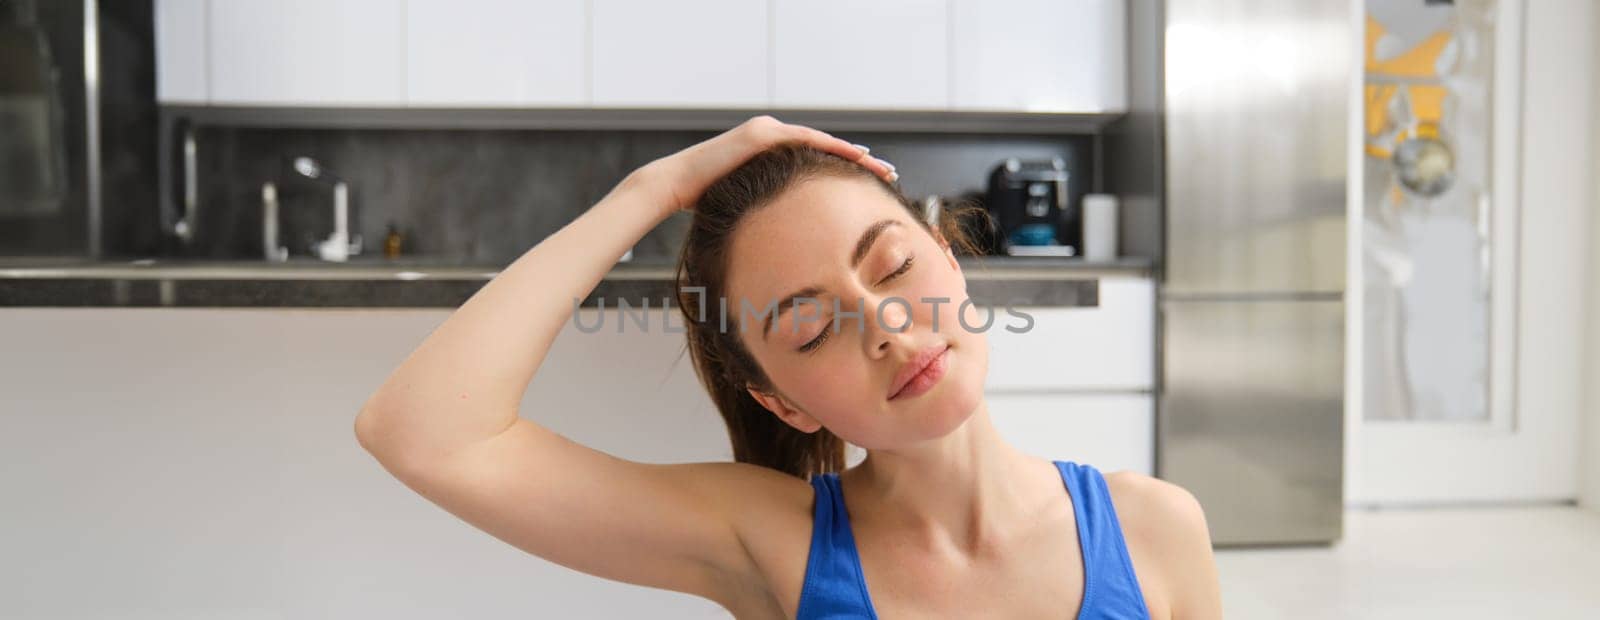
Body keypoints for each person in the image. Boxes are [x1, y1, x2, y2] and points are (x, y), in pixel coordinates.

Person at [354, 117, 1223, 619]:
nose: (885, 325)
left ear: (951, 263)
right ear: (781, 400)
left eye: (893, 268)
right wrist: (648, 192)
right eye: (810, 328)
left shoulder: (1156, 527)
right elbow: (423, 432)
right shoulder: (772, 543)